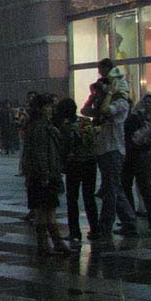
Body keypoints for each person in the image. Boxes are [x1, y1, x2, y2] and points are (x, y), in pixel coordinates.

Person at [84, 58, 138, 240]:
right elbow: (85, 111)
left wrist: (108, 94)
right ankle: (130, 222)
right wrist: (93, 97)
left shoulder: (121, 103)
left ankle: (105, 226)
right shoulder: (102, 102)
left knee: (111, 190)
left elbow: (107, 111)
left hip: (114, 149)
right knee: (114, 188)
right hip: (103, 148)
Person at [23, 93, 71, 256]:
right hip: (44, 174)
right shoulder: (41, 128)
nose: (51, 109)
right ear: (41, 109)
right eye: (47, 106)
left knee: (47, 209)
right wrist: (45, 174)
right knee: (46, 210)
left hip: (43, 173)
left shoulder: (39, 126)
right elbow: (41, 153)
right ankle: (48, 244)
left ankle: (50, 243)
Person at [54, 97, 97, 248]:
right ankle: (95, 229)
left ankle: (75, 231)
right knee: (89, 197)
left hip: (74, 165)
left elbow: (64, 148)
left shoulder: (66, 127)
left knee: (72, 198)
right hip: (90, 162)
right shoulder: (85, 122)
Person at [123, 94, 151, 229]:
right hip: (135, 154)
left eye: (149, 102)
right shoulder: (137, 117)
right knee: (130, 186)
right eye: (145, 102)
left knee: (146, 188)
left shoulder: (148, 119)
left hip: (143, 156)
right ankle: (131, 218)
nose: (147, 104)